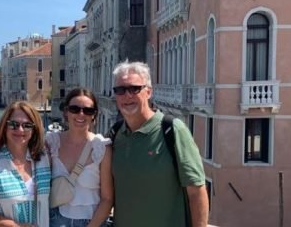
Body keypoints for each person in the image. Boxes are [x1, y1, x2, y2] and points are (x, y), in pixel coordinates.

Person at [110, 60, 209, 227]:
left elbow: (196, 191)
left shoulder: (173, 130)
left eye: (134, 89)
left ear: (148, 92)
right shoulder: (115, 134)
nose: (127, 95)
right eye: (120, 90)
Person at [0, 101, 51, 227]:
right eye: (13, 124)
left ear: (34, 129)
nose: (20, 129)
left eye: (27, 125)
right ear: (4, 126)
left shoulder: (45, 159)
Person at [46, 88, 114, 227]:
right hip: (55, 220)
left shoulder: (101, 148)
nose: (81, 114)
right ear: (66, 112)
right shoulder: (51, 143)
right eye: (74, 109)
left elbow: (107, 199)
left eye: (87, 110)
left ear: (94, 115)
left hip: (92, 222)